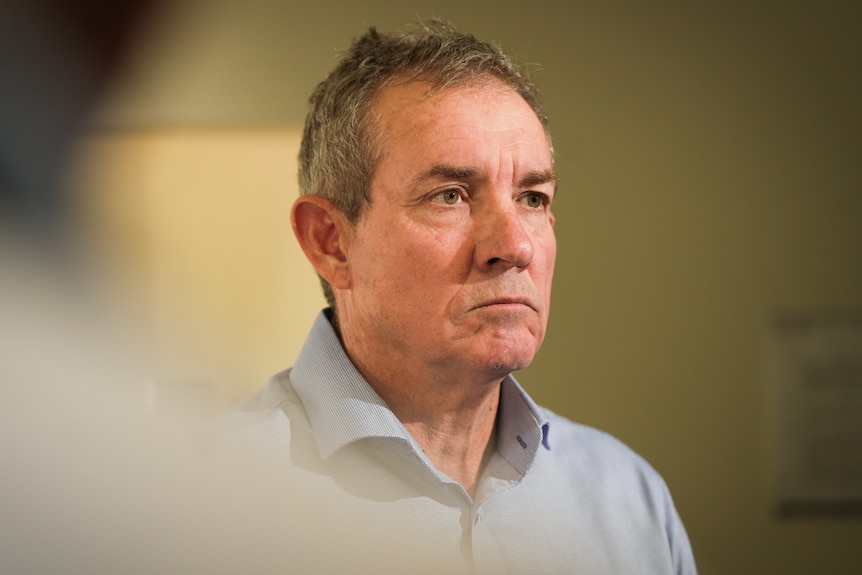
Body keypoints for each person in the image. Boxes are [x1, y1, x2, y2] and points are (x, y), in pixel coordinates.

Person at [228, 20, 698, 574]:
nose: (515, 245)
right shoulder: (201, 500)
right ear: (331, 242)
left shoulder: (629, 500)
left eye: (532, 197)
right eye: (449, 196)